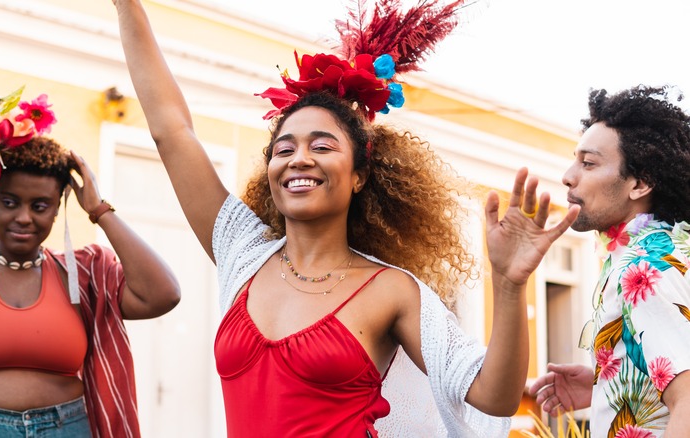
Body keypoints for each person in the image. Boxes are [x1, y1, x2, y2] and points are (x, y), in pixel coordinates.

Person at [111, 0, 578, 436]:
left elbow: (493, 397)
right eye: (284, 148)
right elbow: (171, 131)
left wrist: (511, 285)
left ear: (358, 176)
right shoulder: (243, 254)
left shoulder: (390, 290)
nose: (298, 159)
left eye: (322, 146)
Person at [0, 88, 181, 437]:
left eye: (39, 206)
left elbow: (163, 293)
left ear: (57, 208)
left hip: (64, 429)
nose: (23, 217)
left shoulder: (84, 273)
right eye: (9, 202)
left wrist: (99, 210)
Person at [529, 85, 690, 437]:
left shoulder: (644, 270)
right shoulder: (670, 248)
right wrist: (613, 381)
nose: (569, 175)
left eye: (588, 163)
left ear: (640, 183)